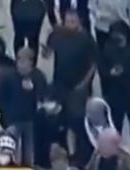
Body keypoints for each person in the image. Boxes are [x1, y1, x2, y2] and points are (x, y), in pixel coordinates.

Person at [43, 9, 97, 144]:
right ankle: (61, 149)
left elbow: (94, 64)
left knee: (76, 122)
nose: (70, 24)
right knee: (58, 119)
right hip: (60, 85)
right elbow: (47, 54)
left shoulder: (86, 39)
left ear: (80, 22)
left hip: (77, 88)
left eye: (73, 21)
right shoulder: (57, 35)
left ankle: (78, 152)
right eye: (67, 21)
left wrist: (84, 84)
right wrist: (45, 48)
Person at [98, 21, 130, 147]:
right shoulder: (108, 50)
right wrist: (110, 74)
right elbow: (102, 71)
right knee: (115, 132)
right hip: (115, 97)